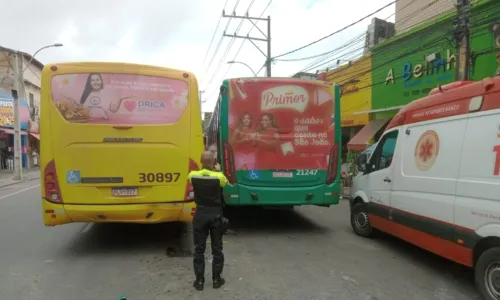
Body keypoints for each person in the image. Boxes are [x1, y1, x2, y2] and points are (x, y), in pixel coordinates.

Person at [187, 151, 229, 291]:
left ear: (200, 161)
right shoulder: (219, 177)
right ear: (213, 162)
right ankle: (217, 280)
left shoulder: (193, 175)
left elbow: (193, 176)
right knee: (217, 249)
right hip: (215, 215)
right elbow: (225, 183)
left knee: (199, 249)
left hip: (200, 215)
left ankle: (199, 281)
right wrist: (218, 170)